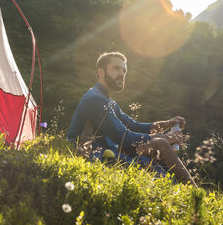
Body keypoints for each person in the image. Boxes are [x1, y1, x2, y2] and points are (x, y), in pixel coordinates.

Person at [67, 52, 197, 187]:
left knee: (160, 145)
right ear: (101, 72)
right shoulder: (96, 99)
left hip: (109, 150)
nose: (122, 74)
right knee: (160, 150)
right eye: (116, 68)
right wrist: (166, 137)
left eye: (124, 70)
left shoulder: (107, 100)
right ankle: (192, 192)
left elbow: (133, 125)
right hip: (92, 154)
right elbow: (124, 137)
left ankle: (193, 193)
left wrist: (166, 124)